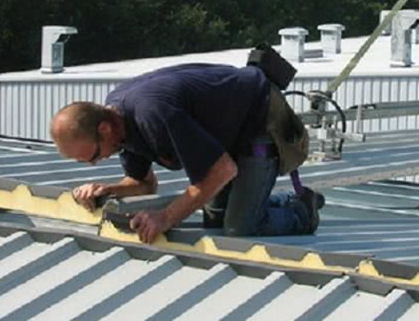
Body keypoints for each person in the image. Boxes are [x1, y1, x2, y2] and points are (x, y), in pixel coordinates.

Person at [50, 63, 321, 243]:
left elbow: (222, 170)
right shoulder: (120, 126)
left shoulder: (151, 113)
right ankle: (270, 200)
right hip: (224, 133)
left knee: (240, 229)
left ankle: (302, 210)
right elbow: (144, 184)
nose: (98, 161)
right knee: (215, 224)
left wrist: (165, 217)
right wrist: (106, 190)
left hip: (258, 120)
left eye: (94, 155)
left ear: (104, 129)